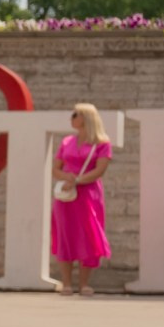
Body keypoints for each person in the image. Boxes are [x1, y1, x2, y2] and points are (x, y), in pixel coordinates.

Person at [51, 102, 115, 296]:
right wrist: (67, 178)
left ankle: (84, 283)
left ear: (86, 118)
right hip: (66, 195)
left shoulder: (102, 143)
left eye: (75, 114)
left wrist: (78, 180)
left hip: (88, 195)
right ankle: (67, 283)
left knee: (88, 235)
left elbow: (100, 170)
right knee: (65, 234)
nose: (72, 118)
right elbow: (56, 168)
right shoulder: (67, 142)